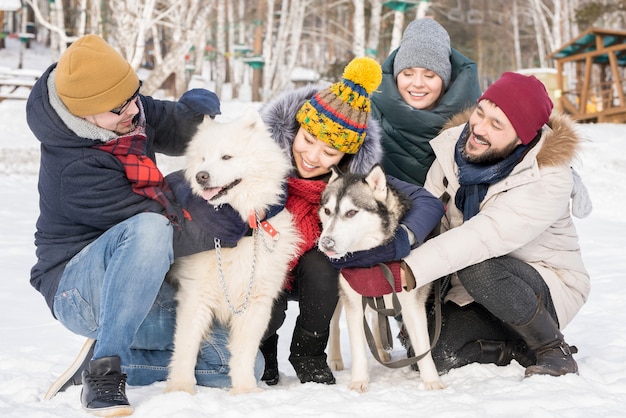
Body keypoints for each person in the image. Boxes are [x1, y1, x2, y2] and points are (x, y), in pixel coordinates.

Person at [27, 34, 258, 416]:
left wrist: (198, 114)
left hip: (138, 281)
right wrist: (234, 221)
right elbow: (167, 226)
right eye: (118, 109)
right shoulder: (73, 169)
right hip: (78, 290)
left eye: (134, 97)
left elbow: (175, 127)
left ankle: (108, 357)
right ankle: (105, 371)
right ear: (84, 114)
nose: (132, 111)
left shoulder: (122, 109)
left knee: (228, 362)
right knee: (150, 227)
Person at [360, 71, 590, 377]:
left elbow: (482, 237)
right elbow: (430, 217)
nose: (478, 128)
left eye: (496, 125)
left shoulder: (546, 179)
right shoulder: (452, 148)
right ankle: (514, 346)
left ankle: (551, 348)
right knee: (430, 355)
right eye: (480, 113)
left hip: (542, 283)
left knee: (478, 265)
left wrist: (406, 271)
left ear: (523, 137)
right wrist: (388, 251)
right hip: (469, 281)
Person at [257, 57, 445, 385]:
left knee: (325, 263)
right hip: (259, 268)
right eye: (308, 139)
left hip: (311, 272)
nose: (313, 156)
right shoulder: (259, 160)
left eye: (330, 152)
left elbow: (426, 202)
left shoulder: (354, 181)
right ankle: (263, 347)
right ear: (295, 127)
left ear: (345, 157)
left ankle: (309, 352)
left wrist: (403, 238)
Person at [371, 17, 481, 187]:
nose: (417, 83)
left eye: (429, 75)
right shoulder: (369, 116)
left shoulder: (472, 125)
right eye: (407, 74)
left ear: (445, 79)